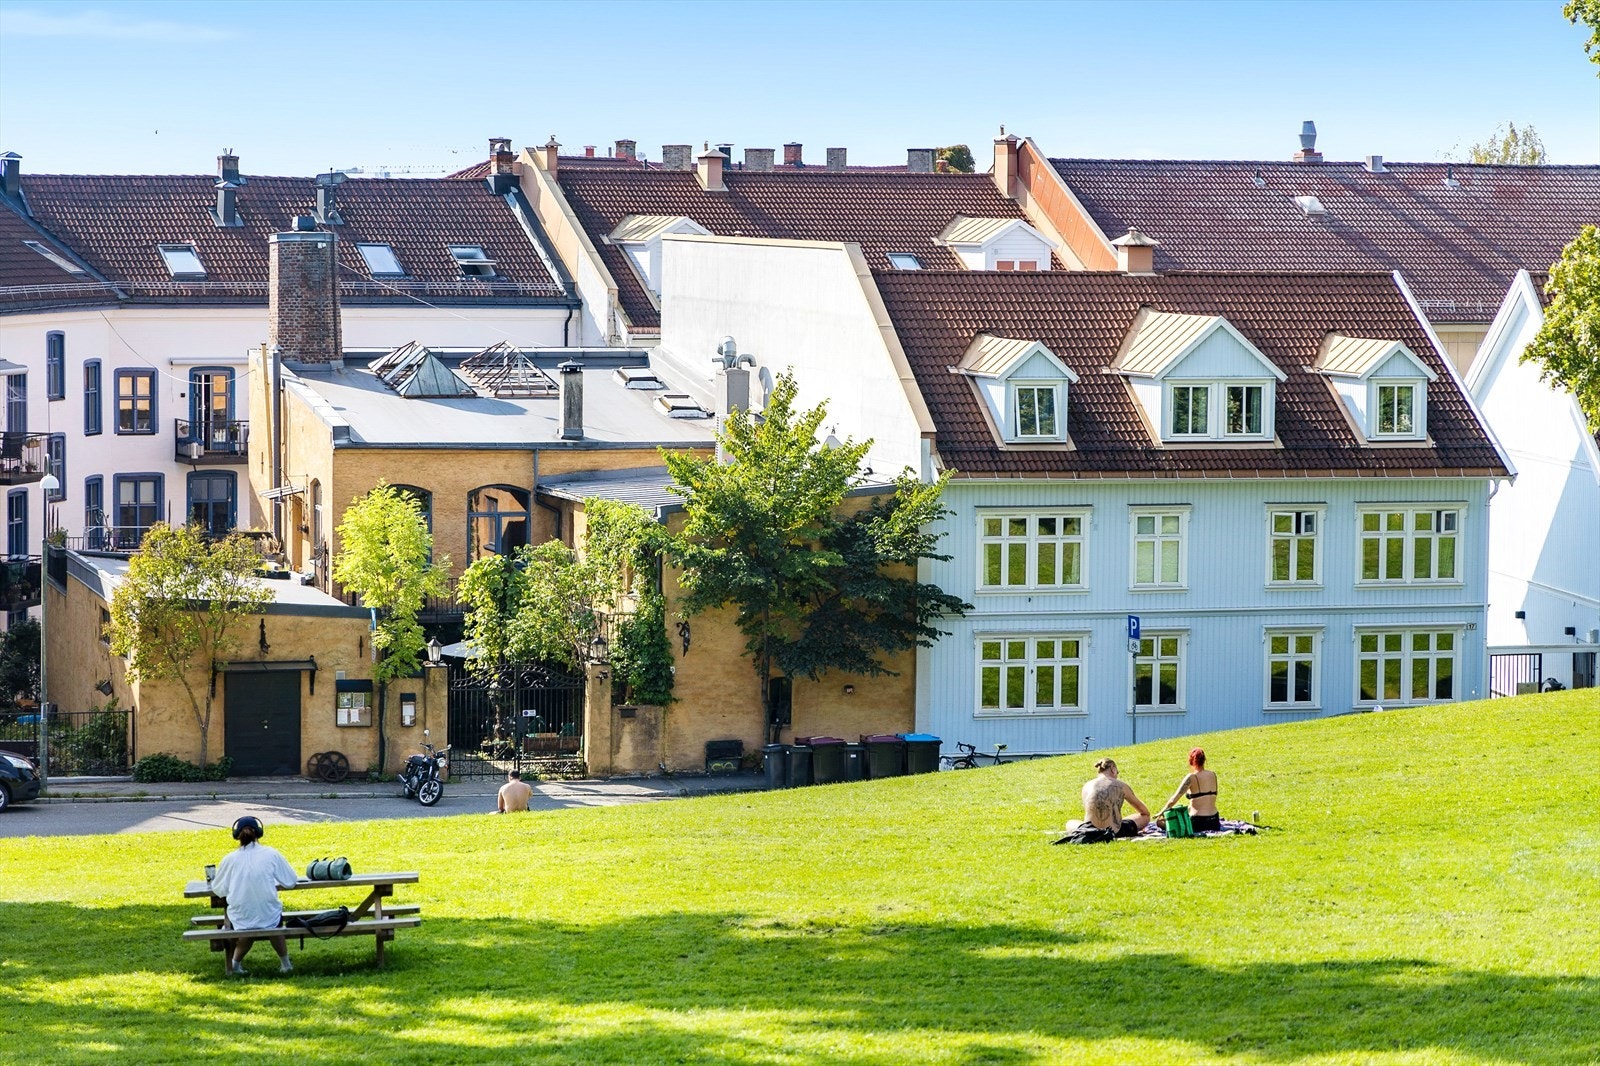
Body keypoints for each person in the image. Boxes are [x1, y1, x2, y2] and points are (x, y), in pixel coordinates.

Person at [209, 815, 299, 976]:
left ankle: (235, 964)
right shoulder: (271, 854)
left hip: (241, 917)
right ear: (259, 833)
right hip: (269, 915)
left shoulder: (230, 859)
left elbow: (218, 889)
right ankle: (286, 963)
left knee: (246, 923)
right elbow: (290, 881)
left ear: (236, 835)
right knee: (273, 921)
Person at [1081, 758, 1151, 838]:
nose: (1117, 775)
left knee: (1070, 823)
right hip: (1115, 832)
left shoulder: (1087, 786)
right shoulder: (1122, 786)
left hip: (1089, 832)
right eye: (1117, 772)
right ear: (1113, 769)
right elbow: (1144, 811)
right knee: (1145, 816)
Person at [1160, 747, 1222, 833]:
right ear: (1204, 760)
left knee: (1160, 823)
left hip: (1198, 821)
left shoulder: (1191, 777)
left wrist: (1162, 812)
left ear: (1191, 761)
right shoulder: (1213, 775)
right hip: (1214, 821)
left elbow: (1173, 799)